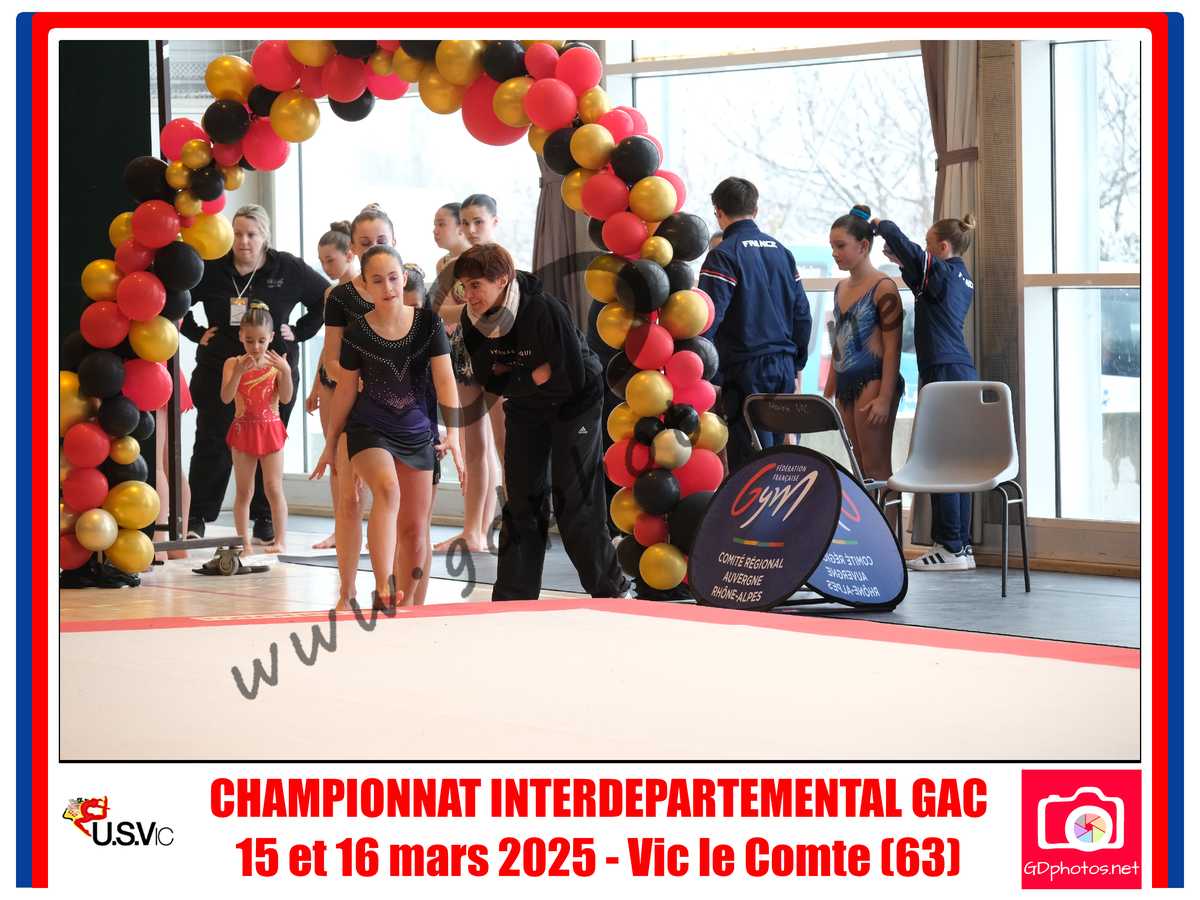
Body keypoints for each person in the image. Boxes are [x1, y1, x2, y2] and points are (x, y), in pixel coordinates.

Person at [455, 242, 627, 602]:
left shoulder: (544, 309)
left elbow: (569, 376)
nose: (469, 295)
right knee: (522, 502)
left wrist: (514, 375)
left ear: (502, 280)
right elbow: (490, 381)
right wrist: (533, 376)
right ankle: (513, 597)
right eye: (464, 287)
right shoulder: (470, 320)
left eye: (476, 286)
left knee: (575, 502)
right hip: (527, 405)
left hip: (576, 402)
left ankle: (610, 591)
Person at [311, 246, 464, 609]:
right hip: (369, 427)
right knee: (388, 490)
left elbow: (445, 381)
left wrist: (455, 434)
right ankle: (383, 585)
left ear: (404, 278)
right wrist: (330, 443)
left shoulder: (428, 324)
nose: (388, 287)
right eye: (377, 280)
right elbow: (346, 391)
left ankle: (406, 606)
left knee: (414, 529)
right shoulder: (357, 332)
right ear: (365, 285)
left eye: (393, 278)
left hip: (416, 430)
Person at [180, 204, 327, 544]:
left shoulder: (287, 268)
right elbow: (178, 298)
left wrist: (301, 331)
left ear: (265, 237)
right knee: (212, 441)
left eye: (251, 234)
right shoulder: (213, 266)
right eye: (237, 234)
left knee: (266, 445)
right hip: (222, 369)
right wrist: (195, 332)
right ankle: (198, 516)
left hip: (272, 375)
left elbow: (326, 297)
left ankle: (264, 518)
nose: (243, 241)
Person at [873, 211, 979, 571]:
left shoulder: (944, 272)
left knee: (941, 457)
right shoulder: (962, 277)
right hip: (959, 371)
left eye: (930, 244)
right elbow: (925, 284)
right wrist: (903, 261)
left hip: (944, 370)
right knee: (955, 460)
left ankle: (950, 545)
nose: (926, 249)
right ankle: (960, 546)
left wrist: (882, 225)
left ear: (943, 246)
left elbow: (912, 253)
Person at [698, 177, 812, 470]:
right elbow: (802, 313)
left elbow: (708, 318)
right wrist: (796, 363)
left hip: (745, 372)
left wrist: (708, 375)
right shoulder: (782, 252)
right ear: (755, 210)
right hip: (783, 367)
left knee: (749, 466)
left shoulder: (723, 255)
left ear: (718, 212)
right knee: (781, 460)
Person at [319, 204, 396, 607]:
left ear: (394, 241)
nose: (373, 247)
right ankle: (346, 590)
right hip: (352, 399)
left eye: (381, 240)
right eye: (365, 242)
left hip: (400, 404)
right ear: (352, 248)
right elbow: (330, 356)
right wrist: (352, 376)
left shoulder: (405, 283)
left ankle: (390, 584)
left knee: (393, 496)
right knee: (348, 497)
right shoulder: (340, 296)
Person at [430, 195, 503, 553]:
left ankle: (504, 526)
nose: (472, 229)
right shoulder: (452, 265)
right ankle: (473, 530)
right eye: (467, 222)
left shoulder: (502, 262)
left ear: (494, 223)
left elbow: (500, 311)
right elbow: (437, 308)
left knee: (503, 445)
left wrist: (467, 308)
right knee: (474, 445)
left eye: (479, 222)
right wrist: (471, 307)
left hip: (500, 355)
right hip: (464, 354)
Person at [823, 205, 905, 498]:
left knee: (877, 467)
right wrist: (828, 391)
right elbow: (839, 341)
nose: (835, 253)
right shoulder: (840, 288)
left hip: (874, 379)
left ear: (863, 246)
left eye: (841, 246)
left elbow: (893, 347)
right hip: (846, 383)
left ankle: (891, 528)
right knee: (858, 468)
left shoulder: (883, 287)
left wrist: (885, 397)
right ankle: (870, 528)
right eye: (832, 247)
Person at [220, 303, 292, 555]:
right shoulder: (233, 363)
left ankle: (280, 540)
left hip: (270, 429)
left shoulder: (276, 364)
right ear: (241, 336)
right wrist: (238, 373)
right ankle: (245, 543)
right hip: (243, 430)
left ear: (271, 337)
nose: (256, 347)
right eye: (250, 340)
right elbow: (226, 398)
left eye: (262, 340)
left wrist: (286, 372)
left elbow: (285, 398)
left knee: (273, 487)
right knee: (244, 491)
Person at [304, 220, 357, 550]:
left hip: (353, 377)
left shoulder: (366, 289)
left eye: (331, 260)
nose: (326, 267)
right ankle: (340, 527)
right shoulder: (330, 293)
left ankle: (362, 526)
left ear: (350, 254)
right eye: (322, 261)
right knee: (333, 454)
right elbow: (328, 345)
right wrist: (314, 385)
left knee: (357, 458)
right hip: (329, 378)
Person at [401, 263, 442, 605]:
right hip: (387, 438)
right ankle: (399, 596)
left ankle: (417, 604)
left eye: (415, 307)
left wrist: (449, 435)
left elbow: (447, 392)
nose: (409, 315)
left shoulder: (431, 336)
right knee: (397, 527)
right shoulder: (376, 335)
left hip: (425, 440)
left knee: (419, 528)